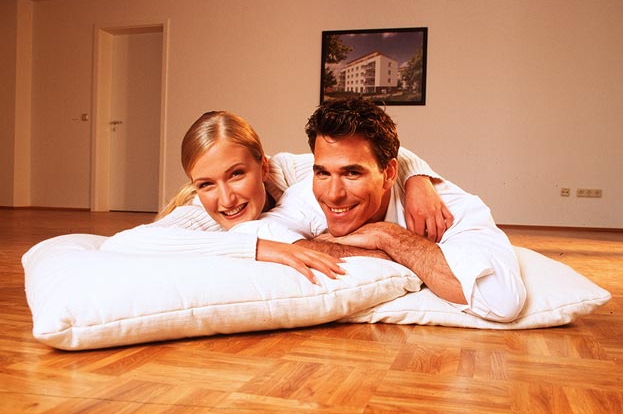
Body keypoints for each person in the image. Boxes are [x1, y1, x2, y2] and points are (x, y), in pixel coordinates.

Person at [101, 110, 452, 283]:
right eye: (206, 183)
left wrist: (417, 179)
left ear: (263, 166)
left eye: (237, 174)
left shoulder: (293, 172)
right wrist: (258, 248)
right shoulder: (199, 212)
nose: (225, 199)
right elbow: (119, 245)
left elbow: (360, 155)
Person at [260, 97, 526, 322]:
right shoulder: (304, 195)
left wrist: (388, 236)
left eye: (352, 173)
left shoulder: (453, 208)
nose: (333, 194)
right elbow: (255, 234)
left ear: (388, 173)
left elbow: (502, 300)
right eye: (322, 173)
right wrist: (368, 252)